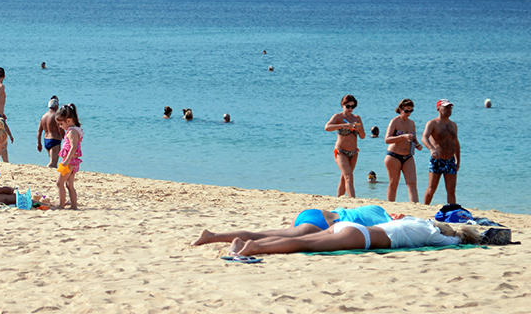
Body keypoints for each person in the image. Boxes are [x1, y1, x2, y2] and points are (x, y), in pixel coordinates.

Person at [226, 217, 480, 257]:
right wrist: (467, 237)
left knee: (307, 240)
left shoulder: (418, 221)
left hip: (348, 226)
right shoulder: (433, 234)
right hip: (360, 238)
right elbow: (455, 242)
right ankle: (253, 248)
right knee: (304, 244)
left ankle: (249, 243)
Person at [192, 204, 400, 245]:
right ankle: (212, 237)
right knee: (278, 237)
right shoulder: (383, 219)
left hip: (314, 212)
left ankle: (213, 235)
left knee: (272, 232)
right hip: (322, 223)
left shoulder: (374, 208)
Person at [325, 94, 365, 198]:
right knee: (349, 177)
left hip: (354, 152)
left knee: (344, 177)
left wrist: (358, 128)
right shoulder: (338, 117)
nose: (350, 109)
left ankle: (339, 199)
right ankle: (353, 200)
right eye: (348, 106)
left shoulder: (356, 118)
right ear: (343, 105)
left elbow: (362, 136)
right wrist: (344, 125)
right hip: (341, 151)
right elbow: (327, 127)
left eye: (353, 107)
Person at [422, 99, 461, 205]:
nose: (449, 110)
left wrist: (458, 160)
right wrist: (431, 149)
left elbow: (456, 143)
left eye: (450, 107)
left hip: (450, 161)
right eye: (446, 107)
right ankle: (425, 208)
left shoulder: (453, 125)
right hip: (437, 160)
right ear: (438, 109)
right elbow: (424, 138)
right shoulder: (432, 123)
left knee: (451, 191)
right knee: (431, 189)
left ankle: (451, 211)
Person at [384, 98, 423, 203]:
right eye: (406, 111)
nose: (408, 113)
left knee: (412, 183)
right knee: (394, 183)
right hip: (393, 155)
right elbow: (387, 139)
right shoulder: (395, 121)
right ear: (400, 109)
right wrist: (403, 137)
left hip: (408, 156)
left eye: (411, 111)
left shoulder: (411, 123)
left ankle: (415, 205)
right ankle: (391, 205)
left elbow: (413, 138)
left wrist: (417, 145)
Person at [56, 103, 84, 210]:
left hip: (70, 162)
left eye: (61, 124)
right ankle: (74, 206)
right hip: (73, 161)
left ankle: (61, 205)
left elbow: (73, 147)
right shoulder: (74, 130)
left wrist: (66, 160)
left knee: (59, 183)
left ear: (68, 120)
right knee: (69, 185)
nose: (60, 126)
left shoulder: (72, 131)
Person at [37, 96, 63, 167]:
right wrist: (66, 138)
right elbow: (60, 129)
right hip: (55, 140)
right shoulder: (56, 116)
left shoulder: (43, 116)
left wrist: (39, 143)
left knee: (53, 161)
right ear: (56, 106)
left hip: (46, 141)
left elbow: (39, 131)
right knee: (53, 163)